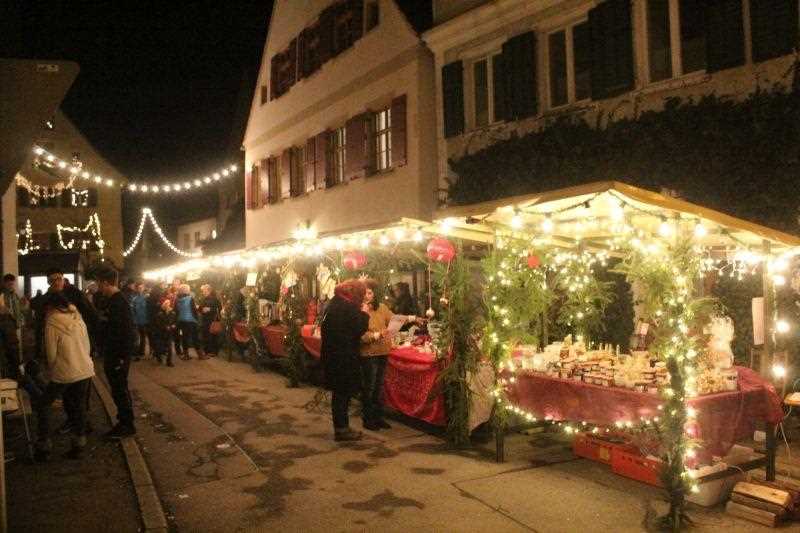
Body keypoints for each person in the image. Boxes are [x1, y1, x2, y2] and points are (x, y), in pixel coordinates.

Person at [33, 294, 95, 460]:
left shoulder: (52, 322)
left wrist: (51, 370)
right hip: (84, 369)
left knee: (43, 404)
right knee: (79, 405)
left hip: (65, 371)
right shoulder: (78, 317)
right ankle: (79, 445)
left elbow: (51, 353)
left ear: (50, 307)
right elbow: (88, 345)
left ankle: (43, 446)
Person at [321, 280, 369, 442]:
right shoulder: (347, 307)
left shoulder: (333, 304)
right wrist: (364, 313)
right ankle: (342, 430)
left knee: (339, 393)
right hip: (343, 357)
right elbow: (358, 329)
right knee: (343, 393)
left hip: (333, 356)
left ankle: (341, 427)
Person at [359, 280, 407, 431]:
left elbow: (395, 319)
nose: (367, 296)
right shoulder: (359, 310)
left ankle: (378, 417)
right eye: (364, 293)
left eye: (369, 292)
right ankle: (368, 418)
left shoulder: (382, 308)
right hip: (368, 353)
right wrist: (378, 334)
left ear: (374, 293)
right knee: (370, 387)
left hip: (383, 352)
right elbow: (360, 335)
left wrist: (412, 318)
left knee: (379, 387)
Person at [95, 266, 136, 439]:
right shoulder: (114, 301)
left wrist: (121, 357)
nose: (98, 287)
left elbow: (126, 332)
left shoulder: (119, 302)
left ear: (105, 283)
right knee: (118, 388)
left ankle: (126, 424)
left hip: (117, 355)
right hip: (115, 353)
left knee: (119, 388)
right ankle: (125, 421)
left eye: (99, 284)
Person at [0, 274, 24, 379]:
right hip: (6, 324)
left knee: (13, 347)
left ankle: (15, 370)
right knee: (12, 349)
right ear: (4, 283)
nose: (11, 286)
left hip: (13, 324)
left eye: (12, 284)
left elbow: (18, 309)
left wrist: (20, 320)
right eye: (9, 284)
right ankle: (15, 372)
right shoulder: (2, 295)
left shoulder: (14, 295)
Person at [175, 284, 205, 360]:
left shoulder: (177, 299)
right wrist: (197, 319)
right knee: (195, 337)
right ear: (186, 290)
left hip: (181, 320)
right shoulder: (190, 298)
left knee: (185, 337)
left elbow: (176, 310)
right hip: (191, 320)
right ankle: (200, 355)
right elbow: (194, 310)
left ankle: (186, 355)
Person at [148, 287, 174, 366]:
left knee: (169, 347)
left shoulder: (172, 313)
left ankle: (169, 361)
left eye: (169, 304)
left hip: (168, 332)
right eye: (166, 304)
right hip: (160, 333)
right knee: (160, 347)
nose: (167, 305)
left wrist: (173, 325)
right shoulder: (159, 314)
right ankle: (158, 357)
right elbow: (158, 324)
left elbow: (174, 321)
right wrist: (165, 327)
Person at [199, 284, 221, 357]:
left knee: (212, 335)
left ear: (209, 290)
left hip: (212, 320)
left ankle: (213, 351)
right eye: (203, 291)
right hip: (205, 319)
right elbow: (200, 308)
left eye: (204, 290)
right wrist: (201, 309)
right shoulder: (203, 299)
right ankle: (206, 351)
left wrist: (210, 309)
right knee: (205, 335)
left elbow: (219, 308)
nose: (203, 292)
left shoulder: (215, 299)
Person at [132, 282, 150, 360]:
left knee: (143, 336)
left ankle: (142, 351)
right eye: (139, 288)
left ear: (144, 288)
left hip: (145, 320)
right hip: (137, 320)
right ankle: (137, 351)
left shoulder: (147, 297)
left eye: (141, 288)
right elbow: (133, 310)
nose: (140, 289)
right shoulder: (134, 299)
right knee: (137, 337)